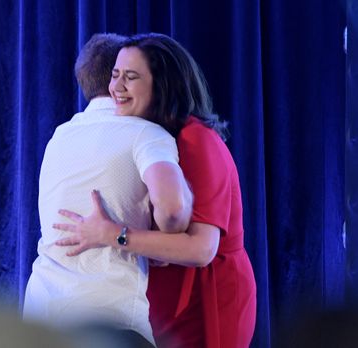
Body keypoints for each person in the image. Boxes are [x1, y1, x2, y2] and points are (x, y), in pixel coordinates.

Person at [54, 33, 257, 347]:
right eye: (115, 75)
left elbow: (202, 249)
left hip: (206, 298)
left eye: (130, 77)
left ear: (162, 86)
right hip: (163, 289)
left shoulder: (196, 140)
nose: (115, 88)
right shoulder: (150, 137)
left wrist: (111, 234)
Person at [22, 33, 193, 347]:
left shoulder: (58, 136)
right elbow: (173, 210)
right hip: (109, 322)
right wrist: (156, 235)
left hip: (41, 319)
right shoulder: (146, 134)